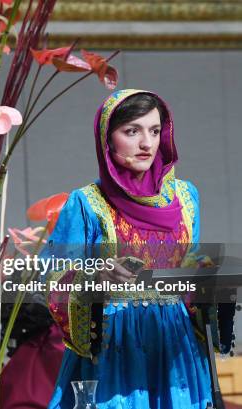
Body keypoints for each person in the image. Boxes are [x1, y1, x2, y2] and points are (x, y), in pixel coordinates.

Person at [43, 89, 234, 408]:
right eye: (132, 131)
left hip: (176, 347)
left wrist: (211, 277)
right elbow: (50, 279)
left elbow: (189, 271)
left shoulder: (186, 197)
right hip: (114, 347)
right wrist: (93, 277)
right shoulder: (87, 204)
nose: (147, 143)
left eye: (155, 131)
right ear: (107, 138)